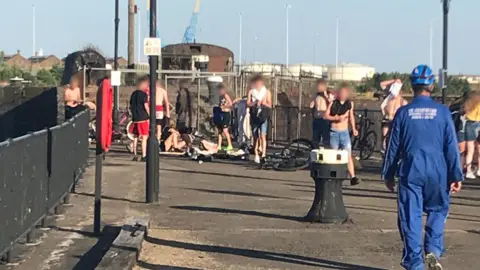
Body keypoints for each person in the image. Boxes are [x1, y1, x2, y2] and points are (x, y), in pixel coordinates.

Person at [382, 64, 463, 270]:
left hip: (411, 169)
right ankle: (433, 250)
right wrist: (456, 175)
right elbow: (451, 147)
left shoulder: (403, 112)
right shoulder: (443, 112)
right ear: (432, 86)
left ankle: (414, 262)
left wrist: (388, 173)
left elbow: (393, 146)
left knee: (410, 216)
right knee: (438, 209)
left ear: (412, 85)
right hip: (438, 170)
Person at [324, 84, 360, 186]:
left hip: (344, 132)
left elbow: (351, 117)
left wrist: (353, 128)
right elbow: (325, 116)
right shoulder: (333, 103)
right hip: (334, 132)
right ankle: (333, 177)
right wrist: (336, 118)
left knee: (348, 155)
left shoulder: (349, 104)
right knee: (334, 155)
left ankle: (352, 177)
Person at [247, 74, 272, 163]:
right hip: (254, 115)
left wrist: (263, 103)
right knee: (255, 136)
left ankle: (264, 154)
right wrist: (254, 103)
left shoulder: (266, 92)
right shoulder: (251, 91)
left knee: (262, 135)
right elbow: (248, 103)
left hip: (263, 115)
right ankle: (256, 154)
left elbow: (270, 105)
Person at [380, 78, 408, 152]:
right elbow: (382, 84)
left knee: (396, 140)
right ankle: (384, 152)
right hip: (387, 119)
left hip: (396, 122)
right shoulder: (389, 97)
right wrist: (393, 81)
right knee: (384, 139)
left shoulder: (403, 101)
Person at [129, 75, 150, 161]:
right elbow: (146, 106)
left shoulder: (133, 94)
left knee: (135, 137)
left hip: (135, 118)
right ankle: (144, 155)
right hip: (143, 118)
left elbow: (131, 105)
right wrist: (150, 115)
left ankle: (135, 154)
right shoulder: (144, 94)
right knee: (144, 137)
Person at [462, 91, 480, 179]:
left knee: (470, 150)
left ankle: (468, 170)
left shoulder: (468, 104)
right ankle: (478, 169)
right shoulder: (477, 103)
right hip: (477, 123)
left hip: (470, 123)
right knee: (478, 149)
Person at [309, 78, 330, 147]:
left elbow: (331, 104)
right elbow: (311, 106)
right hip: (316, 119)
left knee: (326, 139)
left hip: (324, 120)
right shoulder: (316, 95)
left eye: (320, 86)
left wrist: (326, 96)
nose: (318, 88)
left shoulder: (328, 94)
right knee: (315, 139)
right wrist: (312, 99)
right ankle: (314, 150)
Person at [214, 83, 233, 151]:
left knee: (225, 130)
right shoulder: (220, 97)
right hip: (221, 114)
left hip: (226, 114)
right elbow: (220, 105)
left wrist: (224, 106)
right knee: (220, 130)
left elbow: (230, 104)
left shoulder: (226, 95)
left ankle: (230, 145)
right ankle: (219, 145)